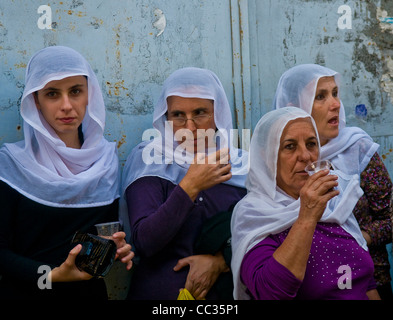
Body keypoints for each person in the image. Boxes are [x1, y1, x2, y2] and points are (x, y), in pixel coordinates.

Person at [0, 46, 133, 300]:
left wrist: (115, 250)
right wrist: (50, 276)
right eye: (52, 94)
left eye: (75, 92)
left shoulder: (105, 161)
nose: (66, 106)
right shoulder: (11, 164)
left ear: (89, 95)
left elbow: (98, 238)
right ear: (35, 101)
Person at [122, 67, 248, 300]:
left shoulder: (241, 165)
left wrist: (221, 261)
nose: (189, 128)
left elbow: (264, 235)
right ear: (165, 119)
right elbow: (145, 242)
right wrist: (190, 186)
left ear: (218, 115)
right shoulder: (151, 159)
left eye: (200, 113)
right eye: (178, 115)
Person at [231, 107, 379, 300]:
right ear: (268, 157)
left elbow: (365, 282)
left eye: (311, 144)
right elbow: (270, 292)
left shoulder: (333, 202)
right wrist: (307, 217)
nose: (306, 156)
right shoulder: (255, 214)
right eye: (290, 146)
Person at [273, 64, 393, 299]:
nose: (336, 104)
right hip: (309, 287)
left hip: (369, 283)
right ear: (295, 108)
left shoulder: (358, 148)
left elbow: (389, 218)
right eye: (320, 97)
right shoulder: (279, 160)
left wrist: (352, 242)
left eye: (335, 94)